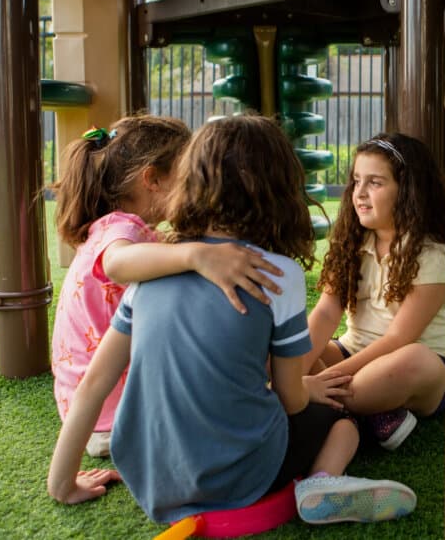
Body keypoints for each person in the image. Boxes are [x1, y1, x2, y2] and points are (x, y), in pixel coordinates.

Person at [47, 115, 417, 526]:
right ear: (280, 188)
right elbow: (291, 400)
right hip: (242, 477)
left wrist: (62, 483)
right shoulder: (279, 273)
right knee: (343, 423)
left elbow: (93, 387)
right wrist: (309, 389)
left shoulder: (149, 273)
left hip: (149, 480)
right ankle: (320, 484)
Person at [50, 115, 283, 458]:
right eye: (187, 175)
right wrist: (197, 255)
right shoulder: (120, 230)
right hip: (121, 418)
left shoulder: (120, 228)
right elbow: (117, 263)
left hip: (91, 415)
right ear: (153, 180)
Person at [303, 132, 445, 450]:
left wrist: (320, 382)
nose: (360, 194)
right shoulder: (352, 244)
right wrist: (300, 372)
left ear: (408, 192)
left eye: (375, 183)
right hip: (352, 352)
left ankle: (343, 409)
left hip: (413, 366)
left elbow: (398, 339)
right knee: (283, 349)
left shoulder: (432, 254)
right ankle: (367, 415)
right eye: (357, 181)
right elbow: (327, 312)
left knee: (413, 360)